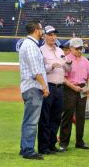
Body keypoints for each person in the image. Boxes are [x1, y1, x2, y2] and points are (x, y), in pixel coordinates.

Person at [38, 26, 72, 154]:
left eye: (54, 35)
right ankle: (43, 147)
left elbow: (68, 70)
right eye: (50, 35)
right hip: (48, 87)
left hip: (60, 88)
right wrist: (51, 66)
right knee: (45, 118)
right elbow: (39, 69)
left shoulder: (60, 51)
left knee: (56, 118)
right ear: (44, 36)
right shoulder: (40, 50)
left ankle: (52, 145)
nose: (53, 37)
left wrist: (68, 64)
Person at [19, 21, 49, 160]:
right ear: (37, 30)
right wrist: (44, 86)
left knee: (28, 120)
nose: (42, 32)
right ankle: (28, 150)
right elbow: (35, 71)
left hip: (30, 87)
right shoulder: (30, 45)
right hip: (33, 87)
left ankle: (25, 148)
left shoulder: (30, 44)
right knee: (31, 121)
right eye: (41, 29)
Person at [59, 38, 89, 151]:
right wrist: (73, 87)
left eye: (81, 48)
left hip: (82, 89)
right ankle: (64, 143)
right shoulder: (66, 60)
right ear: (71, 48)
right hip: (70, 89)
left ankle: (80, 142)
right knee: (67, 116)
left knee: (81, 117)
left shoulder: (85, 60)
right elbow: (62, 78)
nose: (79, 50)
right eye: (77, 48)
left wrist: (88, 86)